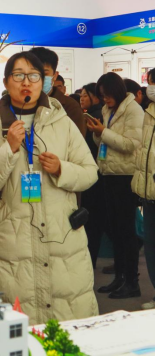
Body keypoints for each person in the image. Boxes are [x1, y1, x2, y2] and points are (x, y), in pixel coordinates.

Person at [0, 51, 99, 325]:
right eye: (18, 75)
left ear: (43, 81)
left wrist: (62, 169)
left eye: (34, 76)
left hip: (62, 240)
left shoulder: (63, 123)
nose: (26, 82)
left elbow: (90, 172)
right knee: (19, 327)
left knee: (68, 324)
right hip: (11, 245)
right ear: (6, 82)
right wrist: (8, 150)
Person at [87, 73, 144, 299]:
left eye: (107, 95)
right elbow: (103, 142)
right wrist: (97, 133)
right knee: (116, 230)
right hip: (108, 173)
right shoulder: (107, 110)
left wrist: (104, 132)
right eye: (101, 96)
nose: (104, 99)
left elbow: (131, 145)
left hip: (125, 176)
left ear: (116, 91)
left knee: (126, 231)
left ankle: (132, 282)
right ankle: (119, 277)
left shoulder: (133, 110)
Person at [132, 68, 155, 310]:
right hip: (148, 192)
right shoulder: (148, 113)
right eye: (149, 82)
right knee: (151, 248)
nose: (150, 88)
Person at [29, 47, 87, 137]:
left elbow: (78, 141)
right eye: (34, 73)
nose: (39, 78)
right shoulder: (22, 103)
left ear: (55, 76)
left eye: (45, 73)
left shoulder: (70, 107)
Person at [80, 83, 107, 269]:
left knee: (94, 221)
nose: (82, 98)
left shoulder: (95, 116)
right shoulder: (91, 114)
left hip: (95, 174)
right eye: (81, 95)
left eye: (85, 95)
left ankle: (90, 261)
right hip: (95, 172)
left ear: (95, 97)